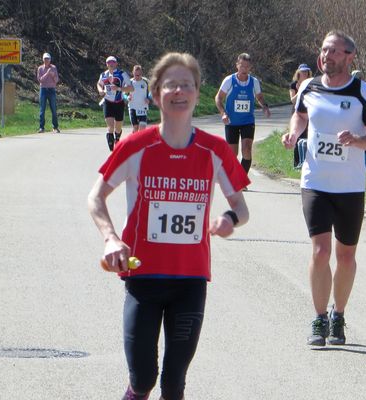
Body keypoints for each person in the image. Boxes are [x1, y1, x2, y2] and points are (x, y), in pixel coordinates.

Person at [88, 52, 250, 400]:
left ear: (196, 92)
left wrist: (228, 219)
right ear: (155, 92)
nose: (180, 91)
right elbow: (95, 198)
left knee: (174, 382)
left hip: (190, 280)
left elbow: (241, 207)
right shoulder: (136, 145)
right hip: (142, 277)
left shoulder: (215, 150)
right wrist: (111, 239)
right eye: (171, 84)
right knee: (143, 378)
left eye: (187, 85)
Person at [282, 30, 366, 347]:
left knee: (346, 255)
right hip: (316, 182)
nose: (327, 56)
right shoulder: (307, 88)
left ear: (350, 56)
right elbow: (299, 117)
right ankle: (319, 317)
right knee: (320, 251)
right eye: (324, 50)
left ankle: (339, 315)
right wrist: (293, 134)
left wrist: (357, 141)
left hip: (350, 186)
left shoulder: (363, 92)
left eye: (335, 51)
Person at [214, 53, 271, 177]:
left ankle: (241, 179)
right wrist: (223, 113)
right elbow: (218, 98)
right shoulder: (229, 80)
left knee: (247, 149)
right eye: (242, 66)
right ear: (237, 66)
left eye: (247, 66)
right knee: (232, 154)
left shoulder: (254, 82)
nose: (244, 69)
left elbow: (259, 97)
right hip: (231, 122)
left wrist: (265, 107)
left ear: (250, 67)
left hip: (248, 121)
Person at [97, 56, 134, 151]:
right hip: (108, 102)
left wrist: (119, 89)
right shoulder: (103, 75)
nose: (111, 64)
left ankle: (117, 138)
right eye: (109, 62)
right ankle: (111, 147)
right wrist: (101, 90)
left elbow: (131, 88)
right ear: (106, 64)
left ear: (116, 63)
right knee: (110, 127)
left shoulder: (122, 74)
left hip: (119, 102)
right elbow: (99, 84)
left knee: (118, 127)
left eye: (113, 62)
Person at [289, 63, 313, 168]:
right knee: (297, 136)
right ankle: (297, 163)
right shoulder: (294, 85)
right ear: (298, 73)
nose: (305, 73)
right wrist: (301, 90)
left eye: (306, 71)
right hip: (297, 113)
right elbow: (293, 100)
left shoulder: (312, 84)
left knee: (307, 137)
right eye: (303, 71)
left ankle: (306, 162)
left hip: (308, 113)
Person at [36, 52, 60, 133]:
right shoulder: (40, 68)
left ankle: (55, 127)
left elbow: (56, 80)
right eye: (45, 59)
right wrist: (47, 73)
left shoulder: (54, 68)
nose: (46, 60)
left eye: (48, 59)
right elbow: (40, 80)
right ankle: (41, 127)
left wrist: (53, 75)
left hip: (51, 90)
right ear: (43, 59)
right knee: (42, 109)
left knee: (53, 109)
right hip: (43, 90)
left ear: (50, 60)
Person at [127, 65, 151, 132]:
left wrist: (148, 98)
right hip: (132, 107)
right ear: (133, 73)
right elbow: (123, 93)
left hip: (142, 107)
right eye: (136, 75)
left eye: (139, 75)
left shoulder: (146, 81)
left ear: (141, 73)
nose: (137, 77)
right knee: (135, 128)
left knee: (142, 128)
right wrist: (127, 97)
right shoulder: (130, 82)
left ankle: (138, 141)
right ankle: (134, 140)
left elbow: (152, 91)